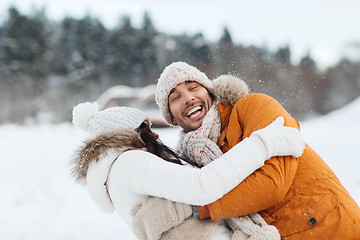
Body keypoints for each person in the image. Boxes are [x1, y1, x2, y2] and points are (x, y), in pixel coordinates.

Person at [154, 61, 360, 239]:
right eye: (175, 98)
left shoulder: (253, 106)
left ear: (209, 91)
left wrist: (202, 206)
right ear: (171, 118)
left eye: (193, 88)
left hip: (332, 229)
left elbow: (272, 184)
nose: (188, 98)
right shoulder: (190, 160)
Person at [70, 102, 304, 240]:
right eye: (146, 128)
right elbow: (202, 186)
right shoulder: (129, 163)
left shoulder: (113, 175)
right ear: (127, 134)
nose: (156, 135)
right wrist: (263, 143)